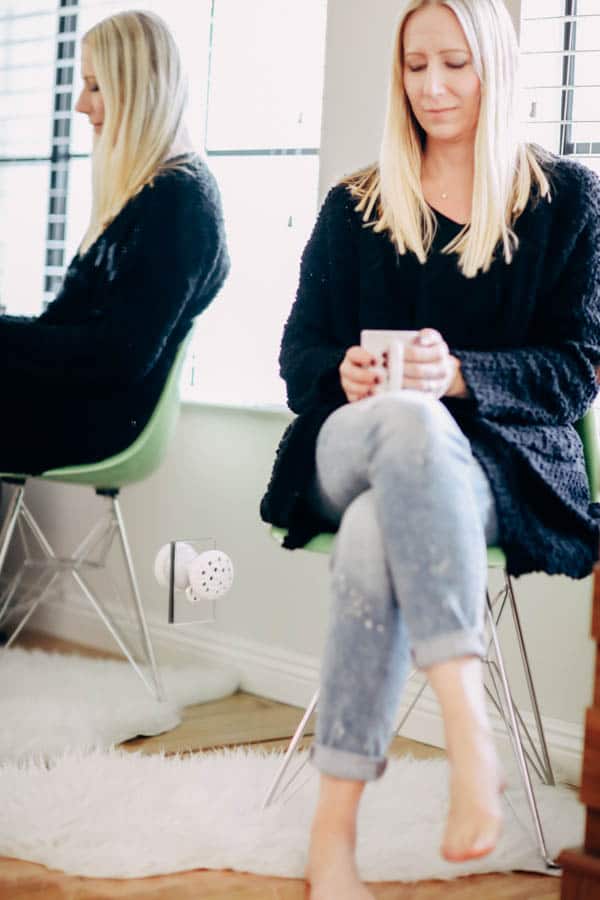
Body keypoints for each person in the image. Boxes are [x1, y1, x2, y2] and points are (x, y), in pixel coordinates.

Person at [260, 0, 600, 897]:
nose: (433, 86)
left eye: (455, 64)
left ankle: (331, 840)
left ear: (495, 66)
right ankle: (467, 719)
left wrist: (461, 377)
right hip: (351, 445)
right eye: (416, 66)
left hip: (494, 467)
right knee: (404, 426)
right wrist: (345, 372)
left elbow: (578, 367)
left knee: (381, 524)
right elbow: (297, 359)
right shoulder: (355, 206)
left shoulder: (566, 203)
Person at [0, 10, 228, 474]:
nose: (81, 105)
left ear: (138, 92)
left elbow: (117, 357)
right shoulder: (149, 195)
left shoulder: (178, 202)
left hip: (97, 419)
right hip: (78, 405)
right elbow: (62, 327)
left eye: (96, 86)